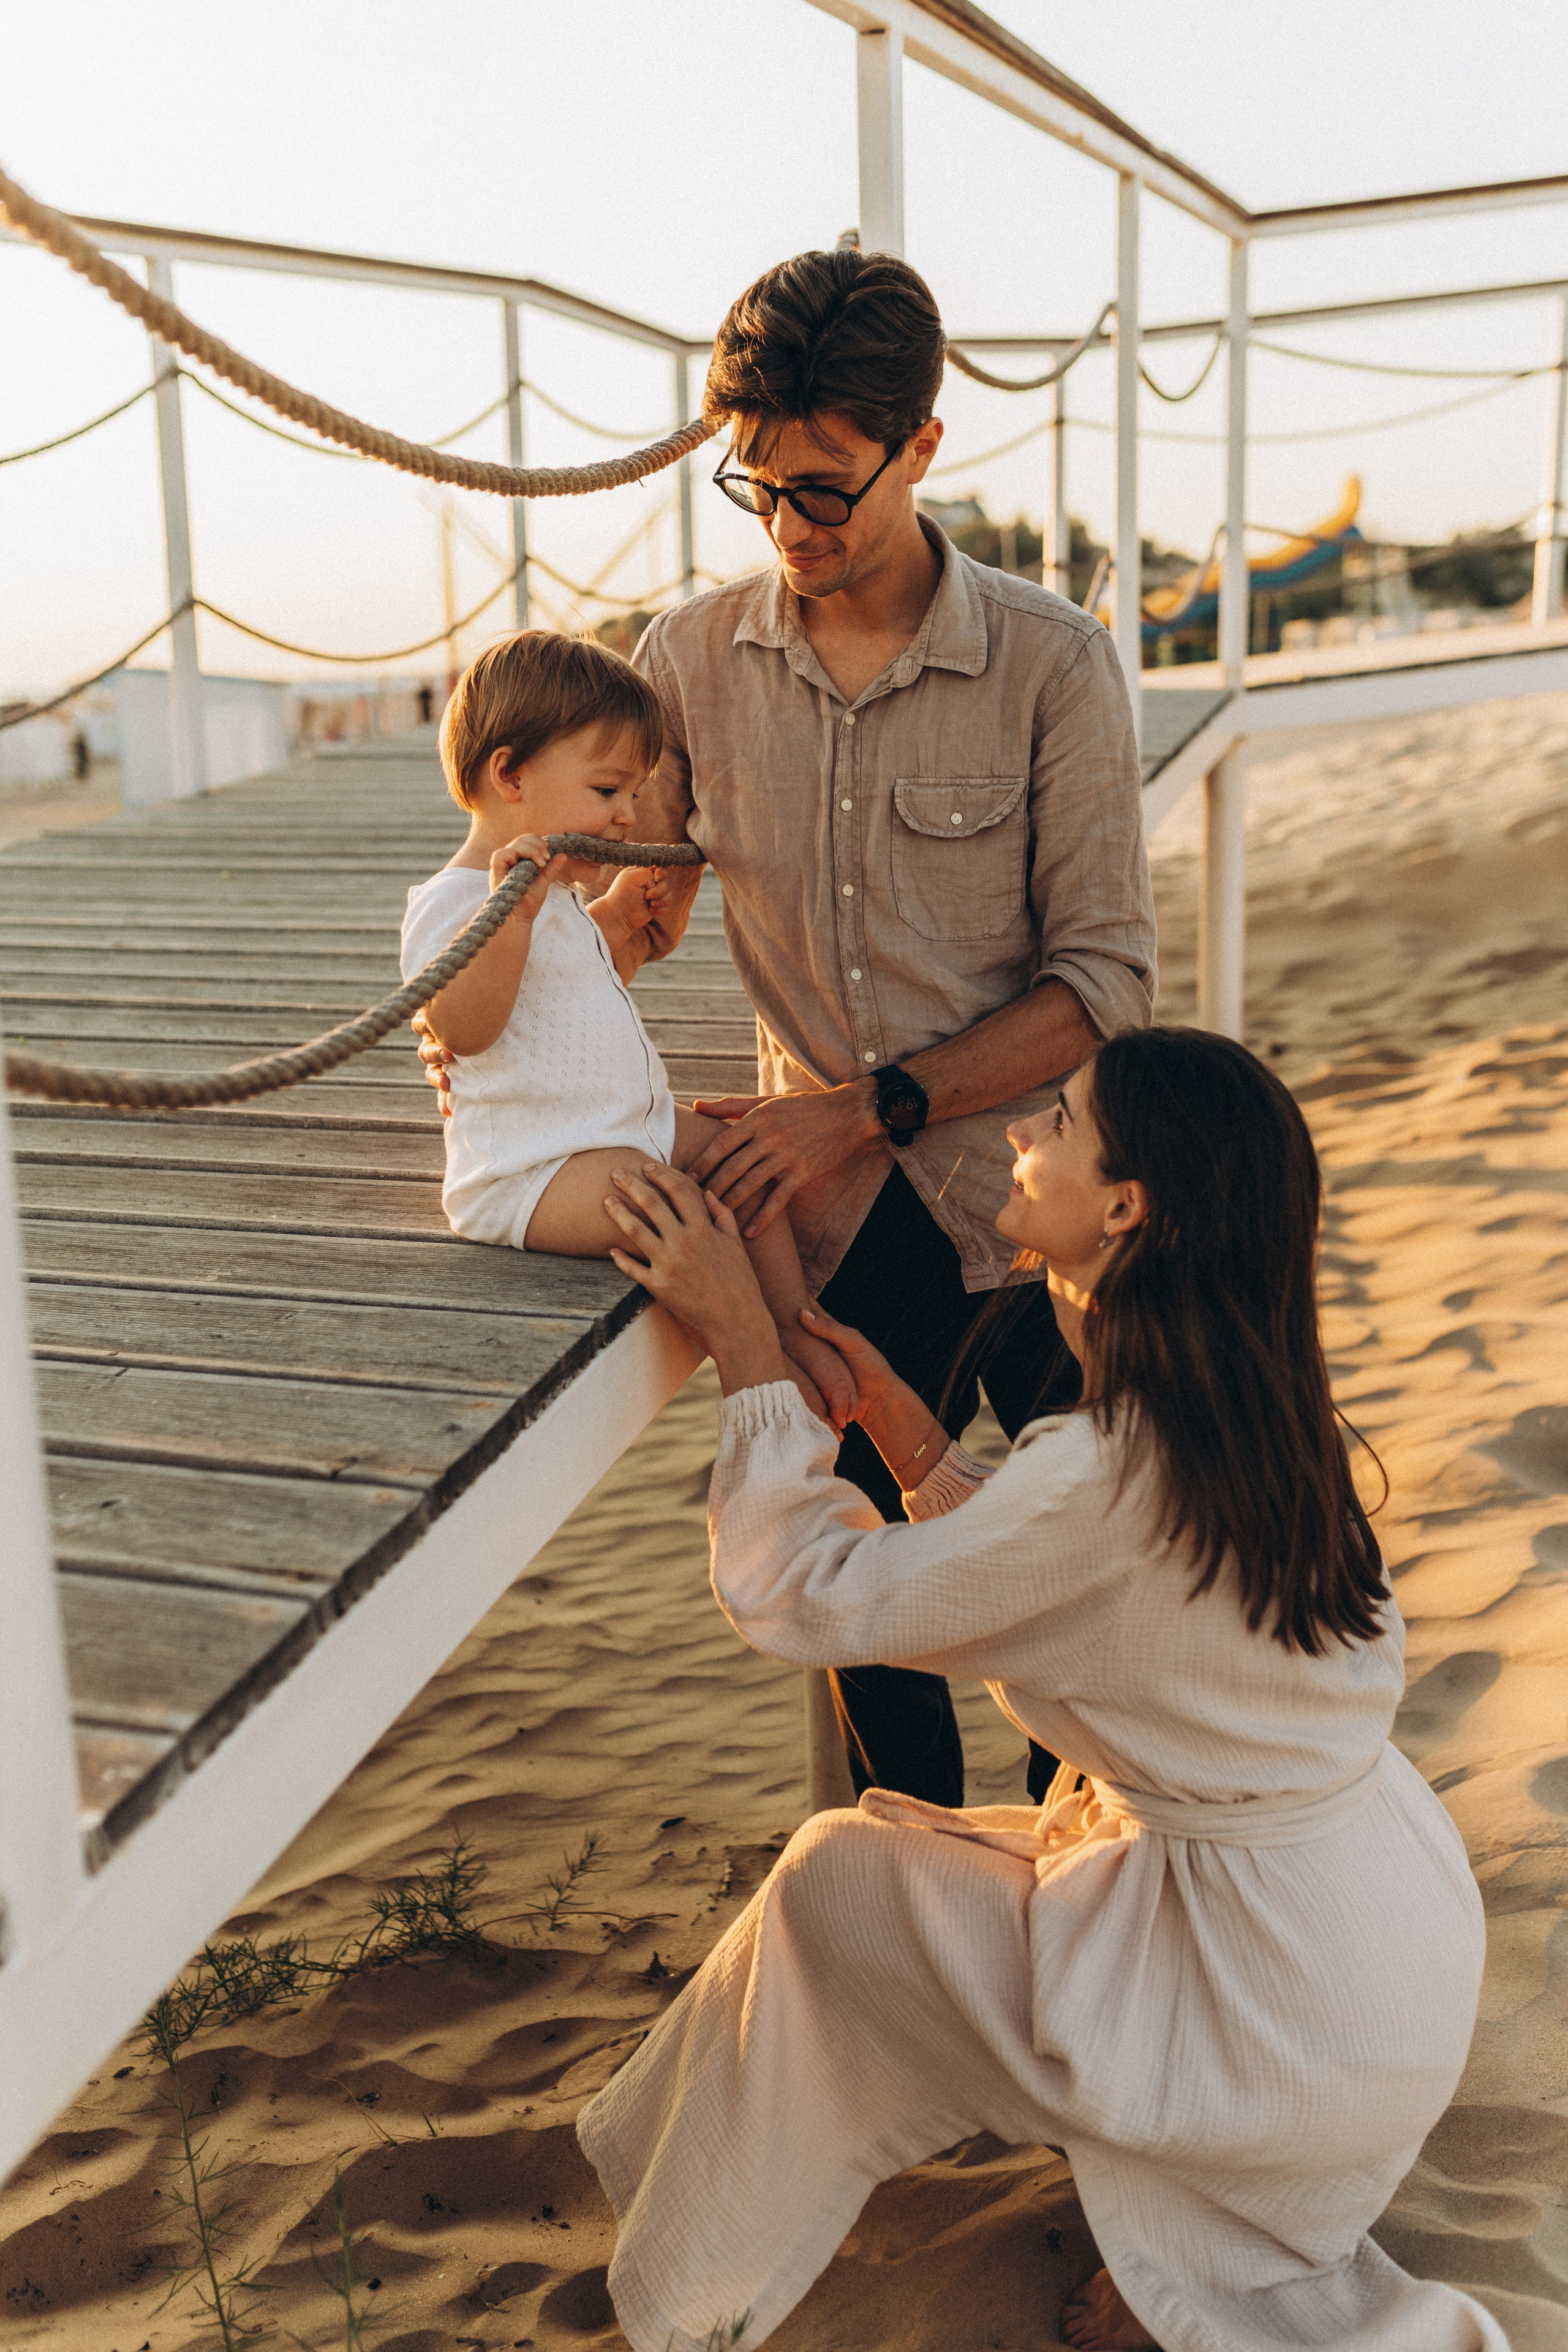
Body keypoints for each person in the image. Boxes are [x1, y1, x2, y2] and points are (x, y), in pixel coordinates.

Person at [575, 1027, 1498, 2352]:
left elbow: (800, 1594)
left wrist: (745, 1351)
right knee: (939, 1850)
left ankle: (686, 2303)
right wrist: (908, 1435)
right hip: (1367, 1954)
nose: (1018, 1135)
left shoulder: (1107, 1470)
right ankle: (1197, 2217)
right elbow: (1081, 1584)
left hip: (1269, 2007)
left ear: (1123, 1207)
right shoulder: (1254, 1413)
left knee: (837, 1882)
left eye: (1054, 1121)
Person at [421, 246, 1157, 1809]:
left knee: (1100, 1574)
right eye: (754, 488)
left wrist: (862, 1104)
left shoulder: (1055, 664)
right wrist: (511, 971)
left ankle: (1073, 1860)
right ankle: (917, 1883)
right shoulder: (687, 658)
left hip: (1043, 1194)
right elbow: (630, 864)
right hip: (825, 1211)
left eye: (822, 488)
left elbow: (1104, 985)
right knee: (863, 1587)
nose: (788, 529)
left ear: (922, 447)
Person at [398, 630, 851, 1425]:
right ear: (510, 775)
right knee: (678, 1201)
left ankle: (792, 1320)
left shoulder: (561, 897)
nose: (629, 814)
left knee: (734, 1158)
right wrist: (512, 915)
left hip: (610, 1131)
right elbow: (463, 1026)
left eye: (636, 793)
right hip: (531, 1174)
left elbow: (564, 991)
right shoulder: (459, 903)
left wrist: (609, 923)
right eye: (608, 790)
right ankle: (758, 1356)